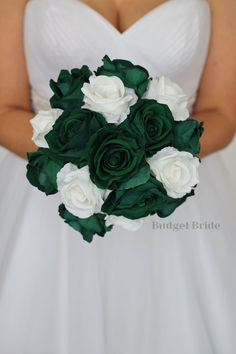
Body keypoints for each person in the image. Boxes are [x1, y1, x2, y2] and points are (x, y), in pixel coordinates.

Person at [0, 0, 235, 353]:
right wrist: (89, 164)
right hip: (48, 198)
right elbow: (5, 109)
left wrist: (148, 162)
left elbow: (221, 113)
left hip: (177, 194)